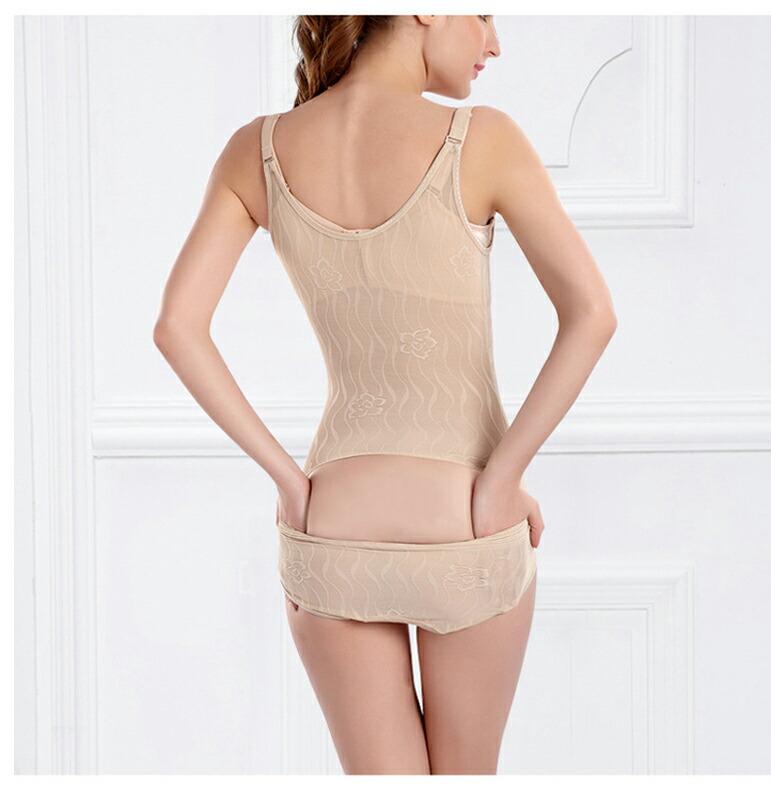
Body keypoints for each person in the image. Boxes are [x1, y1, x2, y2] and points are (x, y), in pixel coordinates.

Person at [153, 14, 617, 775]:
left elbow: (177, 327)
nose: (494, 42)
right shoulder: (483, 138)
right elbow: (593, 314)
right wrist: (502, 478)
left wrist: (290, 482)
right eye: (483, 13)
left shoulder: (256, 150)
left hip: (332, 525)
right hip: (467, 523)